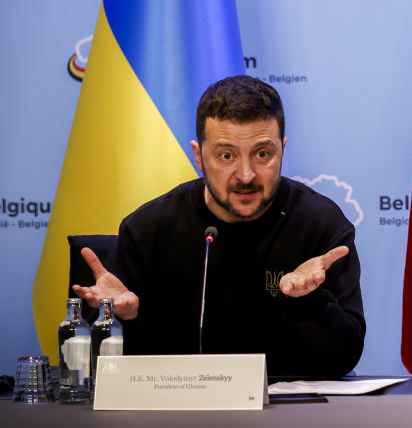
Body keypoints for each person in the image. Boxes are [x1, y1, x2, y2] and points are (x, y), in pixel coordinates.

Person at [72, 75, 364, 378]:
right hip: (178, 415)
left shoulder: (321, 225)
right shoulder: (148, 229)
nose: (246, 175)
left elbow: (344, 359)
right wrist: (122, 317)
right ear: (199, 156)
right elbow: (95, 369)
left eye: (263, 154)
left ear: (282, 151)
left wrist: (310, 301)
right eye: (227, 155)